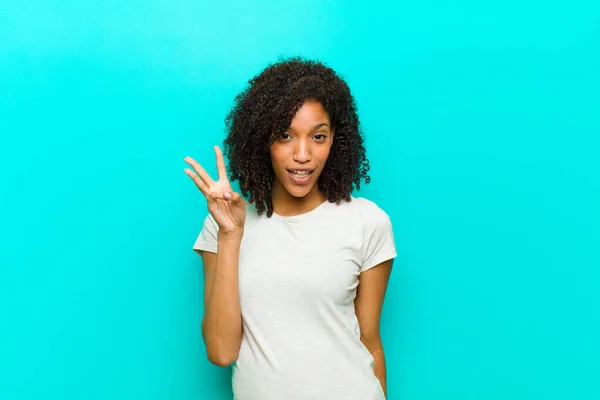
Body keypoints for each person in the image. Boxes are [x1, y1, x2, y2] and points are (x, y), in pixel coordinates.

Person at [184, 56, 397, 400]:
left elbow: (370, 342)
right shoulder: (225, 224)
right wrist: (230, 235)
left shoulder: (368, 223)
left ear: (335, 141)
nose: (303, 154)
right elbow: (221, 352)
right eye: (285, 135)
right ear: (262, 140)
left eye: (318, 136)